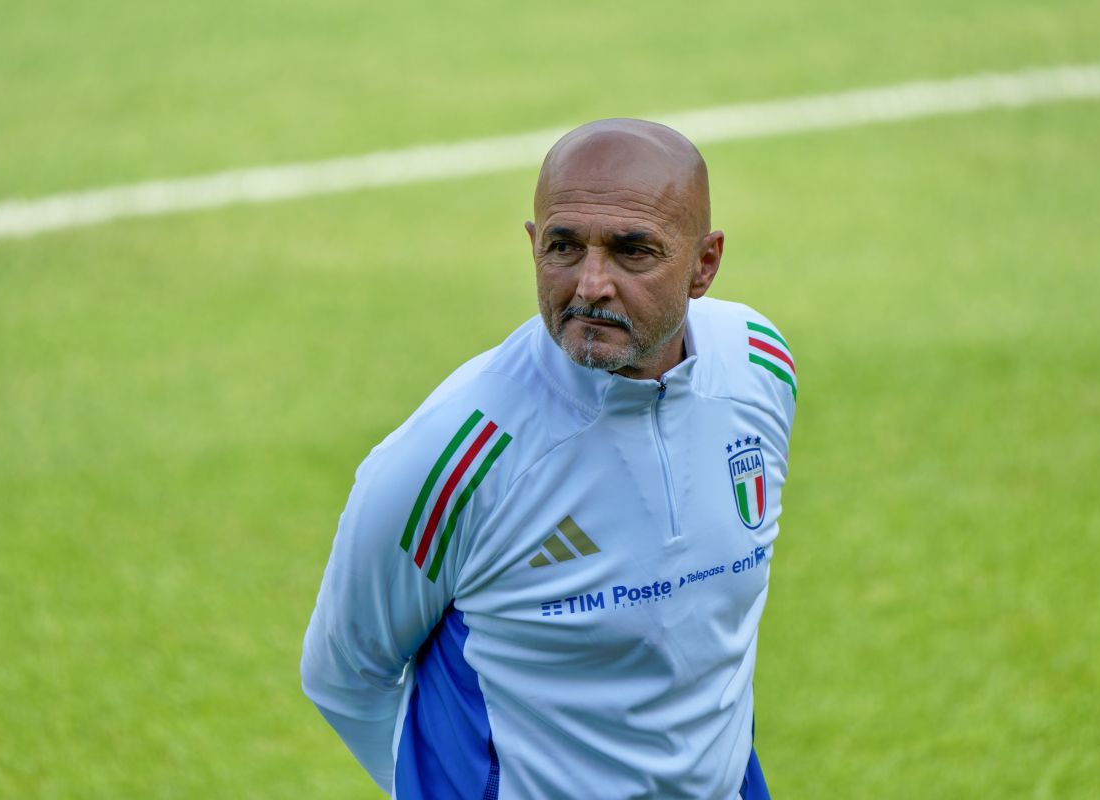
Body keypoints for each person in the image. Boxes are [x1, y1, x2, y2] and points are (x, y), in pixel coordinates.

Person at [301, 118, 797, 799]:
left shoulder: (759, 367)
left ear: (704, 265)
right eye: (563, 247)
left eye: (632, 252)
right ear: (533, 245)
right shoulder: (457, 454)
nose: (590, 284)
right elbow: (344, 672)